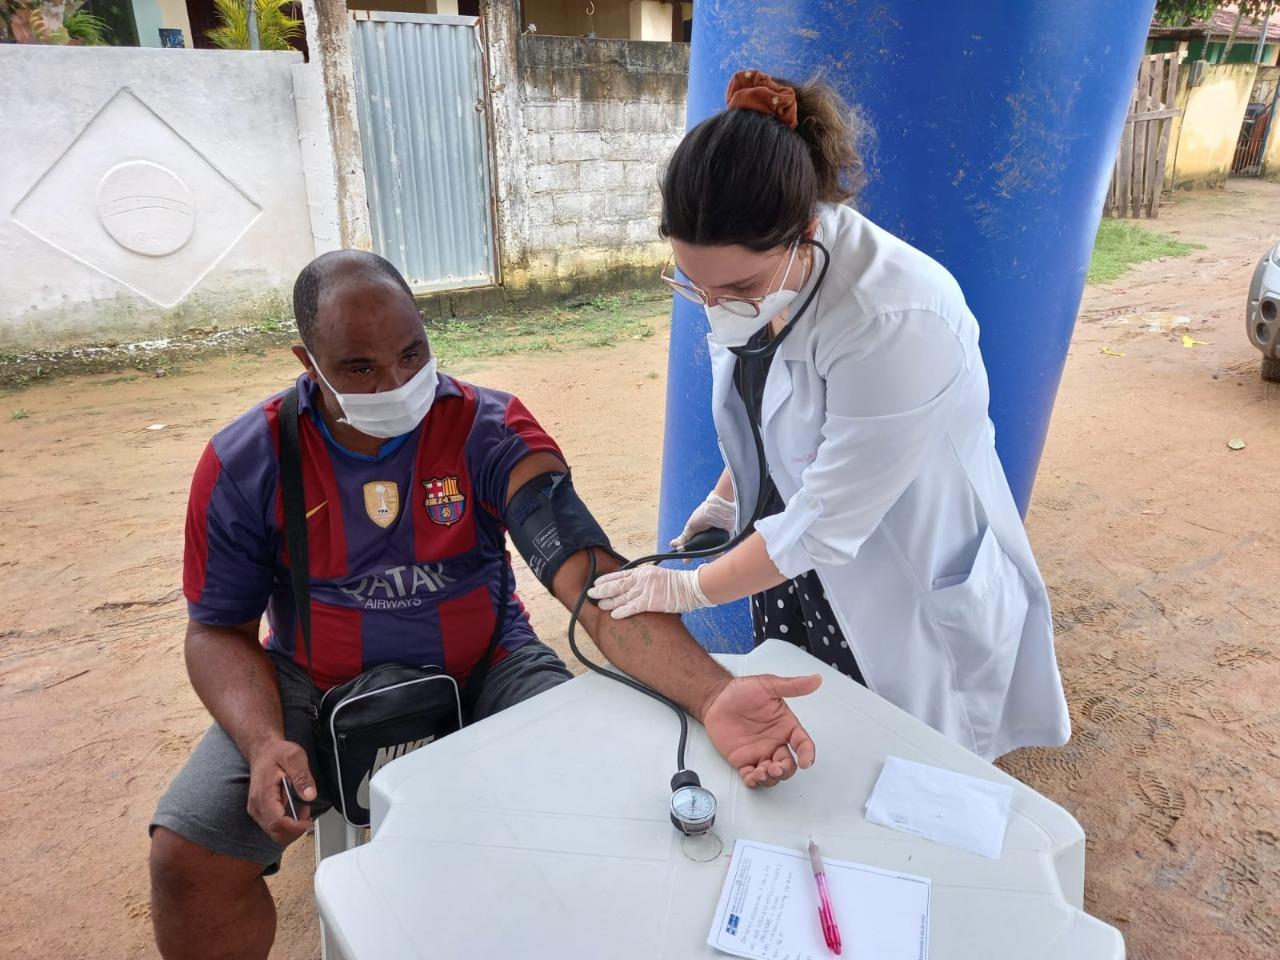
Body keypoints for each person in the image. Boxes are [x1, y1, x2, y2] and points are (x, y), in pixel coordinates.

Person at [148, 250, 823, 960]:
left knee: (603, 803)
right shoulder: (246, 461)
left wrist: (714, 695)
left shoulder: (488, 431)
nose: (397, 382)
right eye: (360, 368)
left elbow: (592, 583)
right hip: (308, 688)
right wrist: (261, 744)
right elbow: (217, 630)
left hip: (487, 670)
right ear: (306, 360)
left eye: (413, 353)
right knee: (186, 859)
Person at [590, 69, 1071, 761]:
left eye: (735, 289)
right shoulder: (747, 280)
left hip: (897, 574)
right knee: (811, 736)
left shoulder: (897, 318)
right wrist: (726, 501)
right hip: (791, 567)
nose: (716, 305)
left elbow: (824, 524)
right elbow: (767, 415)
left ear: (806, 233)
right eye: (695, 286)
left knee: (904, 765)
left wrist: (685, 588)